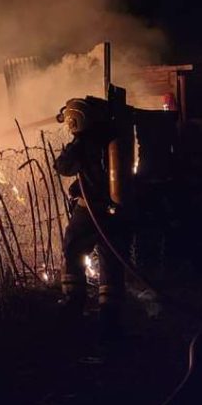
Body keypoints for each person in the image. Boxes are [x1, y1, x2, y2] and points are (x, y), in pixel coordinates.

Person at [55, 97, 126, 336]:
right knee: (111, 258)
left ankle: (73, 303)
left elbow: (64, 167)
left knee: (73, 248)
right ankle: (110, 314)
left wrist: (69, 148)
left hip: (90, 211)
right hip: (115, 211)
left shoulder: (84, 141)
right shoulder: (112, 134)